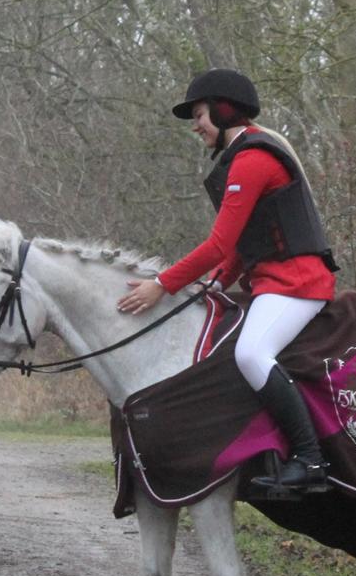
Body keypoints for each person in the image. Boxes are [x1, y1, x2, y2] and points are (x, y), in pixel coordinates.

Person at [117, 69, 338, 495]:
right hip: (273, 281)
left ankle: (311, 460)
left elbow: (219, 244)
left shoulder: (253, 158)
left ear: (223, 109)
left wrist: (162, 285)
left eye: (199, 115)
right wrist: (212, 286)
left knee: (252, 354)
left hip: (297, 283)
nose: (196, 125)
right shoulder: (241, 156)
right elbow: (240, 247)